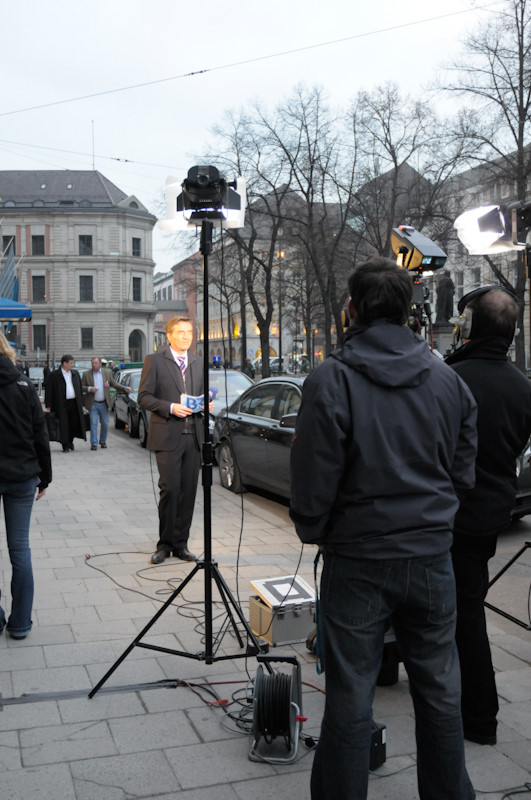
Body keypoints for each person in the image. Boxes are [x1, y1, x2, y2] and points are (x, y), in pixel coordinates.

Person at [290, 257, 478, 800]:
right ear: (408, 310)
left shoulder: (331, 379)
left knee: (351, 697)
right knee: (440, 691)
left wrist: (317, 529)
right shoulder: (448, 380)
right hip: (429, 557)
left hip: (358, 559)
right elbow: (462, 474)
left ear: (351, 309)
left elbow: (313, 479)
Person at [445, 285, 531, 746]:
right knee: (467, 601)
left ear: (470, 326)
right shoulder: (522, 386)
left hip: (449, 513)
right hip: (490, 514)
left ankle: (480, 718)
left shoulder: (450, 378)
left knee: (463, 615)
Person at [138, 317, 213, 565]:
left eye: (189, 332)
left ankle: (181, 544)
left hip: (194, 436)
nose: (186, 336)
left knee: (188, 492)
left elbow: (202, 395)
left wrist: (205, 404)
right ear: (169, 336)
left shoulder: (198, 362)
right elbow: (144, 397)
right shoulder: (155, 361)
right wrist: (170, 407)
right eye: (181, 332)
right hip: (168, 435)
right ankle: (165, 545)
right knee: (170, 489)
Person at [0, 332, 52, 640]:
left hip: (17, 474)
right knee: (20, 549)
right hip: (21, 476)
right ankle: (20, 623)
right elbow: (39, 432)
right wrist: (45, 476)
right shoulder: (23, 385)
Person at [81, 357, 131, 451]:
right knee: (93, 424)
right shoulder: (86, 374)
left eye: (96, 363)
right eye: (92, 363)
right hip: (93, 403)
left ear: (100, 364)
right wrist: (90, 389)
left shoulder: (107, 373)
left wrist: (124, 388)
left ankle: (102, 441)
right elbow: (81, 386)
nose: (94, 365)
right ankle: (94, 443)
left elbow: (114, 384)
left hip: (104, 403)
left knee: (105, 423)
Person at [44, 355, 86, 452]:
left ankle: (70, 441)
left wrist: (81, 403)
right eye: (71, 363)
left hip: (74, 403)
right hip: (61, 403)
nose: (73, 365)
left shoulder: (75, 374)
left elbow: (79, 389)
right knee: (63, 424)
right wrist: (48, 405)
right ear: (64, 363)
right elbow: (49, 391)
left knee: (73, 423)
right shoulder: (54, 375)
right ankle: (65, 444)